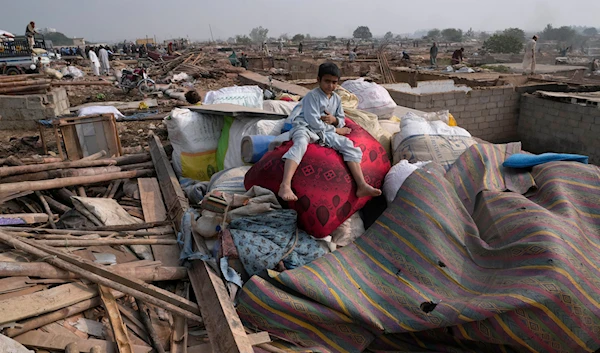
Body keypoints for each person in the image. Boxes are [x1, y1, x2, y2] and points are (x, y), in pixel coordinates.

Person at [278, 63, 382, 202]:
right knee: (300, 144)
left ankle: (361, 185)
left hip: (325, 132)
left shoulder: (336, 99)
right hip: (305, 127)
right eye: (327, 81)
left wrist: (334, 120)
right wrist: (336, 129)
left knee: (348, 145)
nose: (331, 86)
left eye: (334, 82)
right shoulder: (312, 96)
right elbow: (313, 121)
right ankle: (285, 185)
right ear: (318, 80)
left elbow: (341, 119)